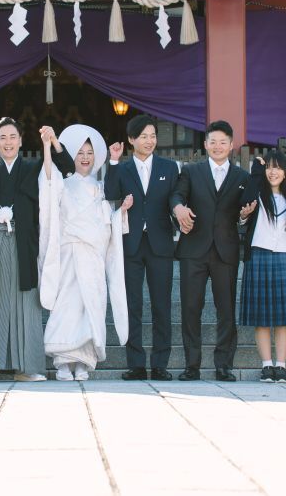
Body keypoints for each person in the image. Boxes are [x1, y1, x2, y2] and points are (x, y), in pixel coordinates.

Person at [0, 100, 75, 382]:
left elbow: (67, 170)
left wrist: (53, 142)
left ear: (21, 141)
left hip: (23, 244)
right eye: (2, 138)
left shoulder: (34, 169)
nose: (8, 142)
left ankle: (28, 367)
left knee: (25, 303)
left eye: (13, 137)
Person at [38, 124, 132, 381]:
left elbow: (108, 222)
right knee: (66, 307)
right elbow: (47, 184)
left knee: (91, 306)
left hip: (93, 256)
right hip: (68, 253)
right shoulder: (63, 183)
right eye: (80, 151)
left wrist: (121, 212)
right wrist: (49, 146)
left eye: (89, 152)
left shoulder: (103, 187)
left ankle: (84, 362)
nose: (85, 156)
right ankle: (62, 361)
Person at [170, 120, 257, 382]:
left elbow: (246, 213)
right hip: (193, 249)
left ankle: (223, 366)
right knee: (190, 308)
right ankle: (191, 366)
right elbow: (176, 196)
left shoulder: (242, 177)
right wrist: (178, 209)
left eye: (223, 142)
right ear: (205, 144)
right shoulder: (191, 171)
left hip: (226, 251)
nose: (217, 146)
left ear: (231, 145)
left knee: (226, 309)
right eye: (213, 142)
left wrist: (244, 217)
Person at [104, 114, 179, 381]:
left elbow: (174, 198)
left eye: (153, 136)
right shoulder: (122, 169)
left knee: (162, 305)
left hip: (160, 243)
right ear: (131, 140)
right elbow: (110, 193)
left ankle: (160, 364)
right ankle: (135, 363)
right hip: (131, 244)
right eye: (143, 136)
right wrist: (112, 161)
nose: (149, 141)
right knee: (132, 304)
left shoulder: (169, 168)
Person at [240, 153, 286, 384]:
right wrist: (257, 169)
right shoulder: (256, 193)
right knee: (262, 317)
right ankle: (267, 365)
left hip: (285, 256)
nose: (273, 172)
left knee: (283, 318)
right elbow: (244, 202)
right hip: (259, 254)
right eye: (270, 168)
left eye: (278, 168)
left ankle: (281, 365)